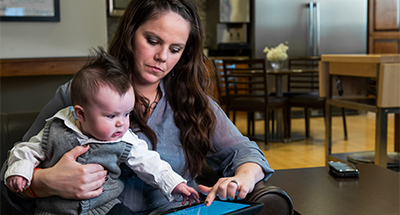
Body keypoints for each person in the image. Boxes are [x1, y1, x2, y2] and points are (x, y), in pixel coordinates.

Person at [1, 0, 274, 214]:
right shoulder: (78, 95)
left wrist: (242, 179)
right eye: (153, 41)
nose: (162, 58)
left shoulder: (193, 101)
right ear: (131, 34)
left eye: (175, 49)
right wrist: (45, 182)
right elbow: (12, 176)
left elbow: (245, 152)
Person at [4, 48, 199, 215]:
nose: (121, 124)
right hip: (54, 210)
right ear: (81, 113)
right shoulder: (55, 128)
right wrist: (21, 173)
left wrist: (174, 184)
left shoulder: (124, 139)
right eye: (111, 116)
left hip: (106, 208)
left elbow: (150, 162)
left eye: (127, 114)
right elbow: (25, 150)